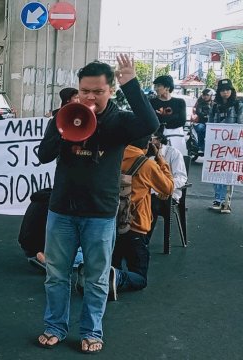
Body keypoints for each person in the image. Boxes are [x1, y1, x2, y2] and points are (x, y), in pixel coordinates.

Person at [36, 55, 159, 354]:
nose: (90, 97)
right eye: (85, 91)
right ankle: (55, 327)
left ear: (110, 90)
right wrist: (65, 132)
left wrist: (131, 84)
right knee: (56, 276)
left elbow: (150, 123)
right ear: (78, 90)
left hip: (100, 213)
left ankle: (91, 330)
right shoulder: (64, 115)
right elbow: (43, 155)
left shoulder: (119, 122)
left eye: (98, 91)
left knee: (97, 278)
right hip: (62, 210)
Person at [110, 136, 174, 298]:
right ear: (147, 145)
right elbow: (168, 188)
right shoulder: (147, 165)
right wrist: (160, 158)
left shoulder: (112, 156)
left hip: (109, 224)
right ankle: (116, 278)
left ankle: (106, 277)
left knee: (112, 262)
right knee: (140, 278)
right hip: (135, 227)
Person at [207, 79, 243, 214]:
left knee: (229, 171)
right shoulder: (215, 106)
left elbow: (241, 124)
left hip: (232, 144)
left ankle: (226, 201)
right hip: (217, 144)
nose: (225, 92)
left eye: (227, 90)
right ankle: (217, 199)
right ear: (219, 92)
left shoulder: (238, 105)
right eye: (222, 90)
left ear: (232, 91)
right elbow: (210, 124)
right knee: (216, 170)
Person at [147, 130, 187, 243]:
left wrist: (165, 188)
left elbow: (181, 178)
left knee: (152, 204)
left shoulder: (173, 153)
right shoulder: (144, 152)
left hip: (168, 194)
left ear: (159, 140)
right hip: (149, 191)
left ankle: (143, 242)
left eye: (151, 139)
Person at [149, 75, 187, 154]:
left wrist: (164, 124)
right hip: (157, 139)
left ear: (167, 87)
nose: (156, 88)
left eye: (158, 86)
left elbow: (182, 121)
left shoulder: (180, 102)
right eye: (155, 86)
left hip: (176, 138)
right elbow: (150, 120)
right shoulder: (152, 102)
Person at [191, 88, 214, 155]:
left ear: (211, 96)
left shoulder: (214, 104)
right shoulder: (200, 103)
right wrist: (206, 116)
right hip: (201, 123)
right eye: (204, 95)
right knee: (201, 129)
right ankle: (201, 147)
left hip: (212, 124)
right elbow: (199, 112)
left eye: (207, 95)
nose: (205, 96)